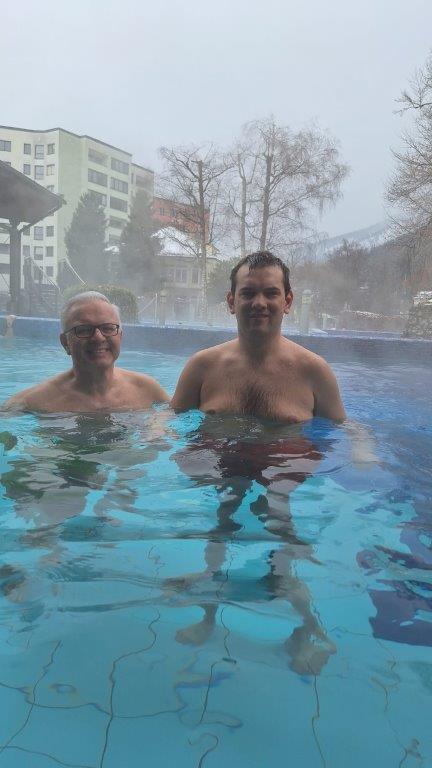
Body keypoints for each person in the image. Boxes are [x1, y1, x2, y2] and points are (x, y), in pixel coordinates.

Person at [171, 251, 346, 422]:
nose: (259, 303)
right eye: (248, 293)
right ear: (231, 302)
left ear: (287, 301)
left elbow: (340, 432)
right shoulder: (201, 367)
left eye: (271, 293)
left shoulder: (315, 372)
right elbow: (170, 425)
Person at [3, 291, 169, 413]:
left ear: (120, 336)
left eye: (108, 328)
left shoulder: (147, 390)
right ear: (65, 343)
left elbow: (170, 414)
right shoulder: (34, 402)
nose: (98, 337)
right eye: (84, 330)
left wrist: (158, 423)